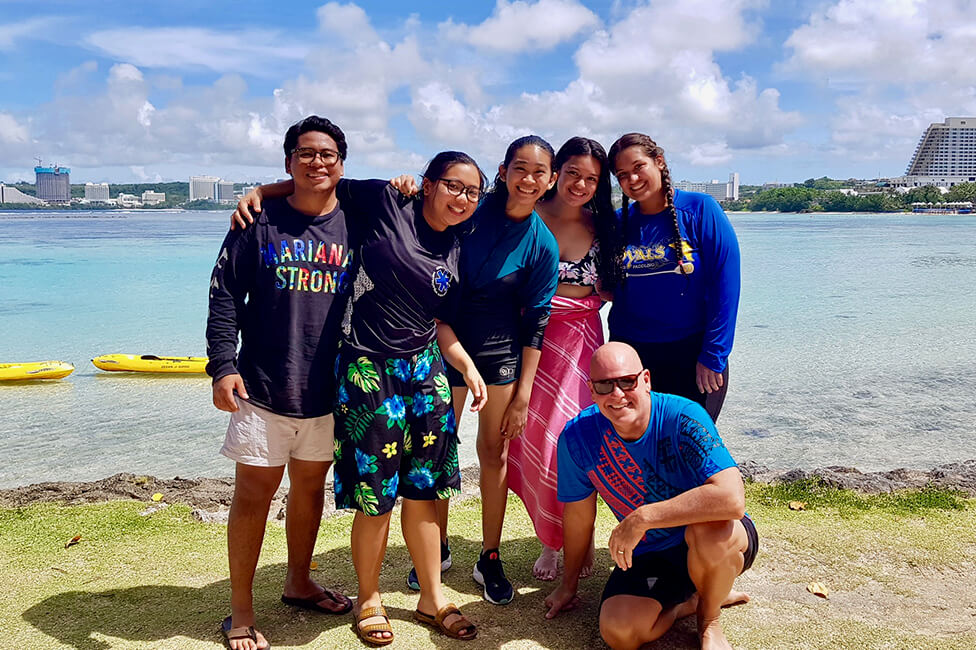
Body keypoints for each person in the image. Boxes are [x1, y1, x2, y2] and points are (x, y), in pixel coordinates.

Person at [231, 152, 488, 645]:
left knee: (426, 491)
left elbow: (441, 323)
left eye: (472, 193)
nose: (463, 199)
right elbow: (322, 183)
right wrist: (262, 192)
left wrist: (468, 366)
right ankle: (369, 598)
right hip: (369, 370)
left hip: (426, 373)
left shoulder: (459, 245)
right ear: (429, 184)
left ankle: (432, 595)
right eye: (454, 187)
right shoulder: (389, 201)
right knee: (375, 496)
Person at [206, 115, 354, 650]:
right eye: (307, 153)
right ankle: (240, 610)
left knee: (310, 491)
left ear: (342, 162)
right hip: (263, 385)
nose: (319, 162)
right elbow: (223, 296)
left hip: (329, 388)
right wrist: (223, 365)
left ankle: (298, 581)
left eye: (329, 154)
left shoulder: (355, 219)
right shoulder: (258, 221)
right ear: (288, 160)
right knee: (253, 496)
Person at [399, 135, 559, 605]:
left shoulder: (541, 243)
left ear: (549, 181)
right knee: (437, 447)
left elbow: (537, 323)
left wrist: (525, 395)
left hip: (501, 352)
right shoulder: (469, 210)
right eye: (520, 168)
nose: (528, 179)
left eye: (539, 172)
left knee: (494, 453)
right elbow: (425, 238)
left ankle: (489, 555)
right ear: (504, 170)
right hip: (441, 341)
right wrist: (407, 187)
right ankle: (439, 546)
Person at [544, 342, 757, 650]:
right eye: (605, 385)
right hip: (652, 552)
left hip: (717, 538)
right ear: (591, 390)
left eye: (627, 381)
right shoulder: (577, 437)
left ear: (646, 379)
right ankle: (692, 601)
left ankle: (709, 620)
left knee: (707, 531)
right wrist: (568, 585)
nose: (617, 394)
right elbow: (578, 516)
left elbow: (733, 500)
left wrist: (645, 517)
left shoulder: (684, 416)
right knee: (619, 632)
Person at [507, 136, 618, 581]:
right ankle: (551, 542)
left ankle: (580, 537)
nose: (580, 184)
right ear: (556, 173)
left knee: (577, 443)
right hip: (533, 344)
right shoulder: (526, 217)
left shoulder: (604, 226)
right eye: (572, 173)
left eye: (592, 178)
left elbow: (612, 288)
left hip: (583, 344)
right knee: (539, 444)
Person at [606, 133, 740, 421]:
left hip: (691, 352)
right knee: (638, 448)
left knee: (692, 448)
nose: (632, 179)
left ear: (659, 162)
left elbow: (725, 287)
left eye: (639, 167)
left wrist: (713, 356)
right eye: (622, 175)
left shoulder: (700, 209)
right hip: (632, 355)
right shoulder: (618, 223)